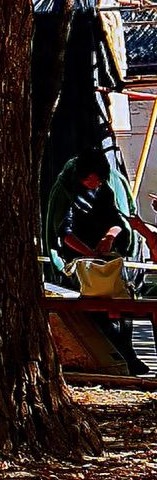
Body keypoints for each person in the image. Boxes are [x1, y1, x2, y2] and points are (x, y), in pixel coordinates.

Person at [57, 147, 157, 374]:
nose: (94, 185)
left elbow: (117, 220)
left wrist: (108, 238)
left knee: (122, 304)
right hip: (78, 264)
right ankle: (111, 360)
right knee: (97, 311)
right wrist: (87, 253)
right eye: (89, 182)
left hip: (106, 260)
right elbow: (63, 232)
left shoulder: (105, 190)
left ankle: (127, 355)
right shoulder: (66, 193)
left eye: (97, 181)